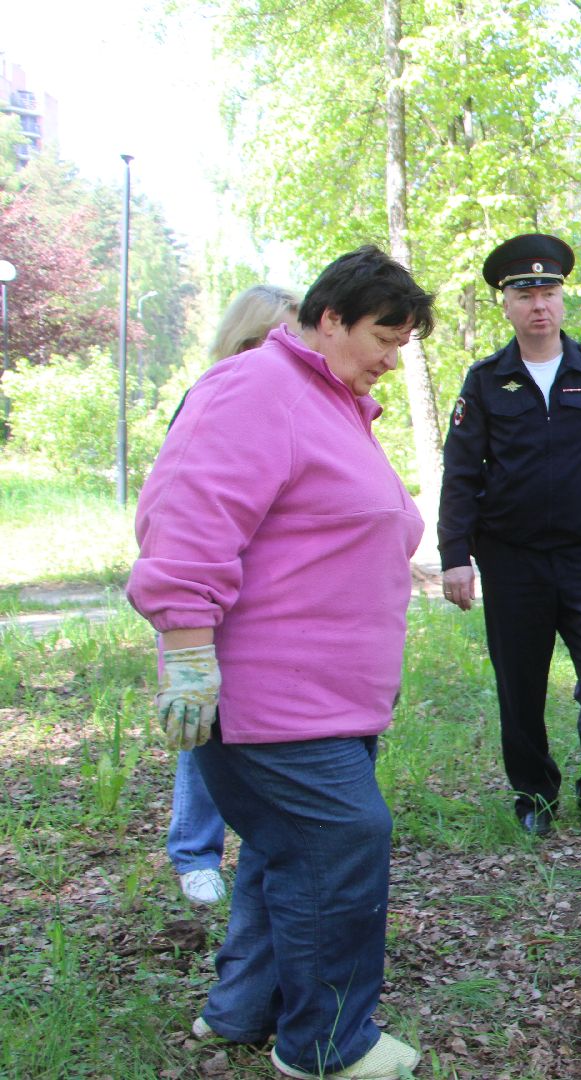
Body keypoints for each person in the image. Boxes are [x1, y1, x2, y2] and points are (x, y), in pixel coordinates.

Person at [127, 246, 433, 1079]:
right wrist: (188, 650)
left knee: (284, 849)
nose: (392, 357)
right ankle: (327, 1047)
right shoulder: (258, 388)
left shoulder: (333, 402)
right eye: (384, 337)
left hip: (329, 697)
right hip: (273, 700)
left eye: (403, 343)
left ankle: (243, 1010)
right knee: (340, 842)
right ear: (330, 319)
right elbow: (188, 515)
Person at [439, 233, 581, 843]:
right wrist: (455, 556)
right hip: (512, 560)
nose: (539, 304)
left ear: (562, 299)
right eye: (525, 294)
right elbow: (460, 474)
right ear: (506, 305)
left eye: (549, 292)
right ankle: (534, 795)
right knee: (521, 685)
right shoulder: (486, 382)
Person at [167, 284, 300, 907]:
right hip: (211, 591)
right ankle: (195, 852)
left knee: (259, 726)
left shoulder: (299, 401)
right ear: (246, 339)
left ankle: (265, 844)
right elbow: (184, 513)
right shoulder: (214, 396)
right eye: (278, 337)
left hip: (273, 597)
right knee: (206, 720)